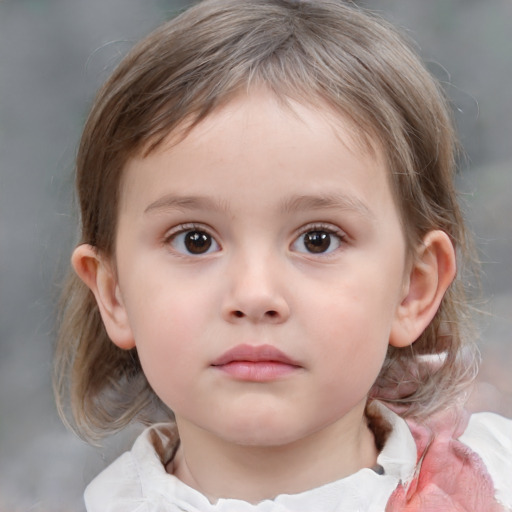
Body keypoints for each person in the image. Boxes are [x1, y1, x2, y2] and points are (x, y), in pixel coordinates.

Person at [54, 0, 512, 510]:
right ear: (114, 294)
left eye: (318, 239)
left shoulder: (497, 480)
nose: (254, 295)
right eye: (195, 240)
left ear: (414, 287)